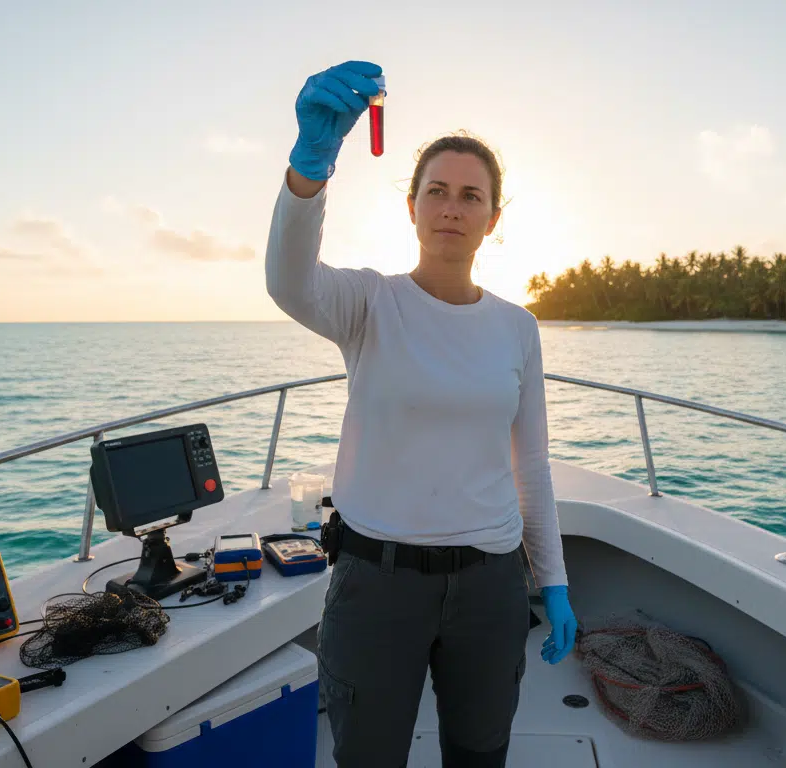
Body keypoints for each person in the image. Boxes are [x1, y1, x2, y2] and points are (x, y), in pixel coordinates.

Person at [264, 60, 577, 767]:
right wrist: (309, 166)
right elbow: (287, 281)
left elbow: (531, 466)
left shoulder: (517, 326)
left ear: (492, 219)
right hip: (376, 583)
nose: (451, 208)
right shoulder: (369, 304)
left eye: (471, 196)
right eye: (436, 191)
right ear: (411, 207)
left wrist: (552, 583)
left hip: (491, 585)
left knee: (480, 753)